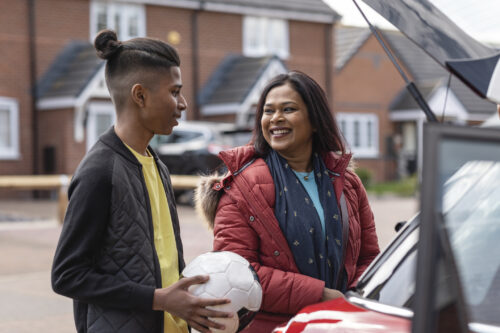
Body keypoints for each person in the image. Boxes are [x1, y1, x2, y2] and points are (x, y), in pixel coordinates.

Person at [51, 30, 232, 333]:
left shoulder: (157, 165)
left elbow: (163, 261)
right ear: (140, 95)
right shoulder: (98, 172)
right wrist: (159, 299)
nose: (183, 103)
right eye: (175, 92)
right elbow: (67, 275)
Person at [195, 71, 380, 332]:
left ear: (315, 120)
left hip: (340, 323)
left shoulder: (347, 182)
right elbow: (239, 271)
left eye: (288, 109)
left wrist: (354, 297)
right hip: (275, 327)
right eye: (268, 111)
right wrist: (321, 295)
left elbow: (368, 256)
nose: (275, 119)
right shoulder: (242, 187)